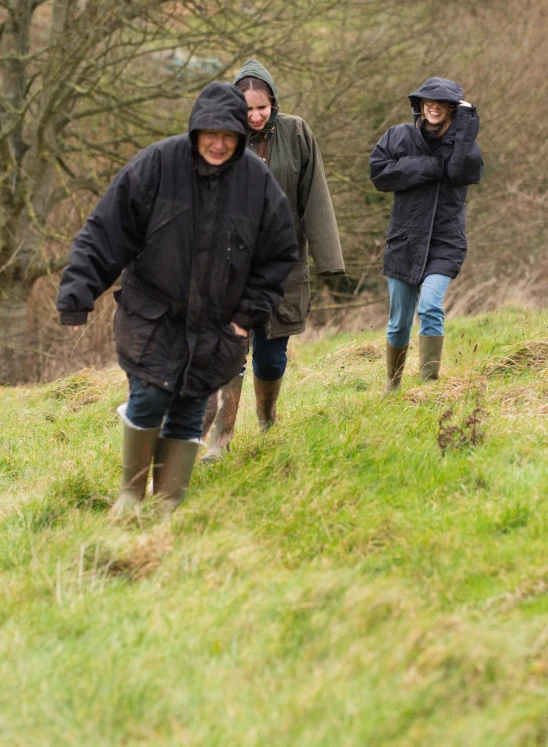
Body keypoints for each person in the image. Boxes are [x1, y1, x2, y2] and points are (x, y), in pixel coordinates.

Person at [56, 82, 298, 518]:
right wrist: (78, 293)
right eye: (211, 134)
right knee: (148, 397)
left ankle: (167, 506)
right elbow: (104, 232)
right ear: (195, 131)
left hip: (218, 324)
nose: (219, 144)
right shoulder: (157, 165)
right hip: (152, 313)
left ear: (242, 137)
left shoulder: (256, 182)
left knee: (189, 409)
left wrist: (246, 318)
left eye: (229, 137)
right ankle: (130, 496)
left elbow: (279, 255)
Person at [202, 58, 345, 461]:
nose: (255, 116)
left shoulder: (297, 131)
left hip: (283, 264)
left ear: (273, 103)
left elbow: (314, 194)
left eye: (261, 107)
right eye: (247, 109)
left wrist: (327, 257)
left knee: (271, 356)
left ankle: (267, 419)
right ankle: (222, 438)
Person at [369, 77, 483, 391]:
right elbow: (379, 174)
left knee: (430, 306)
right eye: (427, 101)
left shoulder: (464, 146)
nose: (432, 106)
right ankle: (393, 387)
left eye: (441, 102)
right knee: (399, 324)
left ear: (451, 109)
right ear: (419, 105)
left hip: (445, 242)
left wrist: (468, 125)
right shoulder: (398, 136)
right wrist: (427, 167)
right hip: (404, 241)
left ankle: (429, 388)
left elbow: (462, 172)